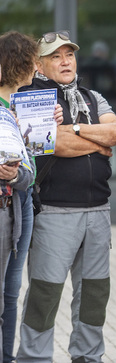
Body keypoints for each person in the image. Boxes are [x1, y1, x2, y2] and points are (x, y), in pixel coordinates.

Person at [16, 32, 116, 363]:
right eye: (55, 56)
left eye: (69, 54)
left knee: (94, 296)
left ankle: (88, 357)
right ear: (39, 64)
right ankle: (34, 358)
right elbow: (54, 145)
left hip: (98, 211)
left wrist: (75, 129)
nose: (65, 61)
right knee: (44, 296)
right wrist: (97, 142)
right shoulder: (29, 97)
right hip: (54, 212)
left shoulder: (91, 97)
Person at [0, 34, 35, 363]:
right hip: (5, 204)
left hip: (20, 205)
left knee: (11, 293)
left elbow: (28, 166)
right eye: (33, 61)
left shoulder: (17, 105)